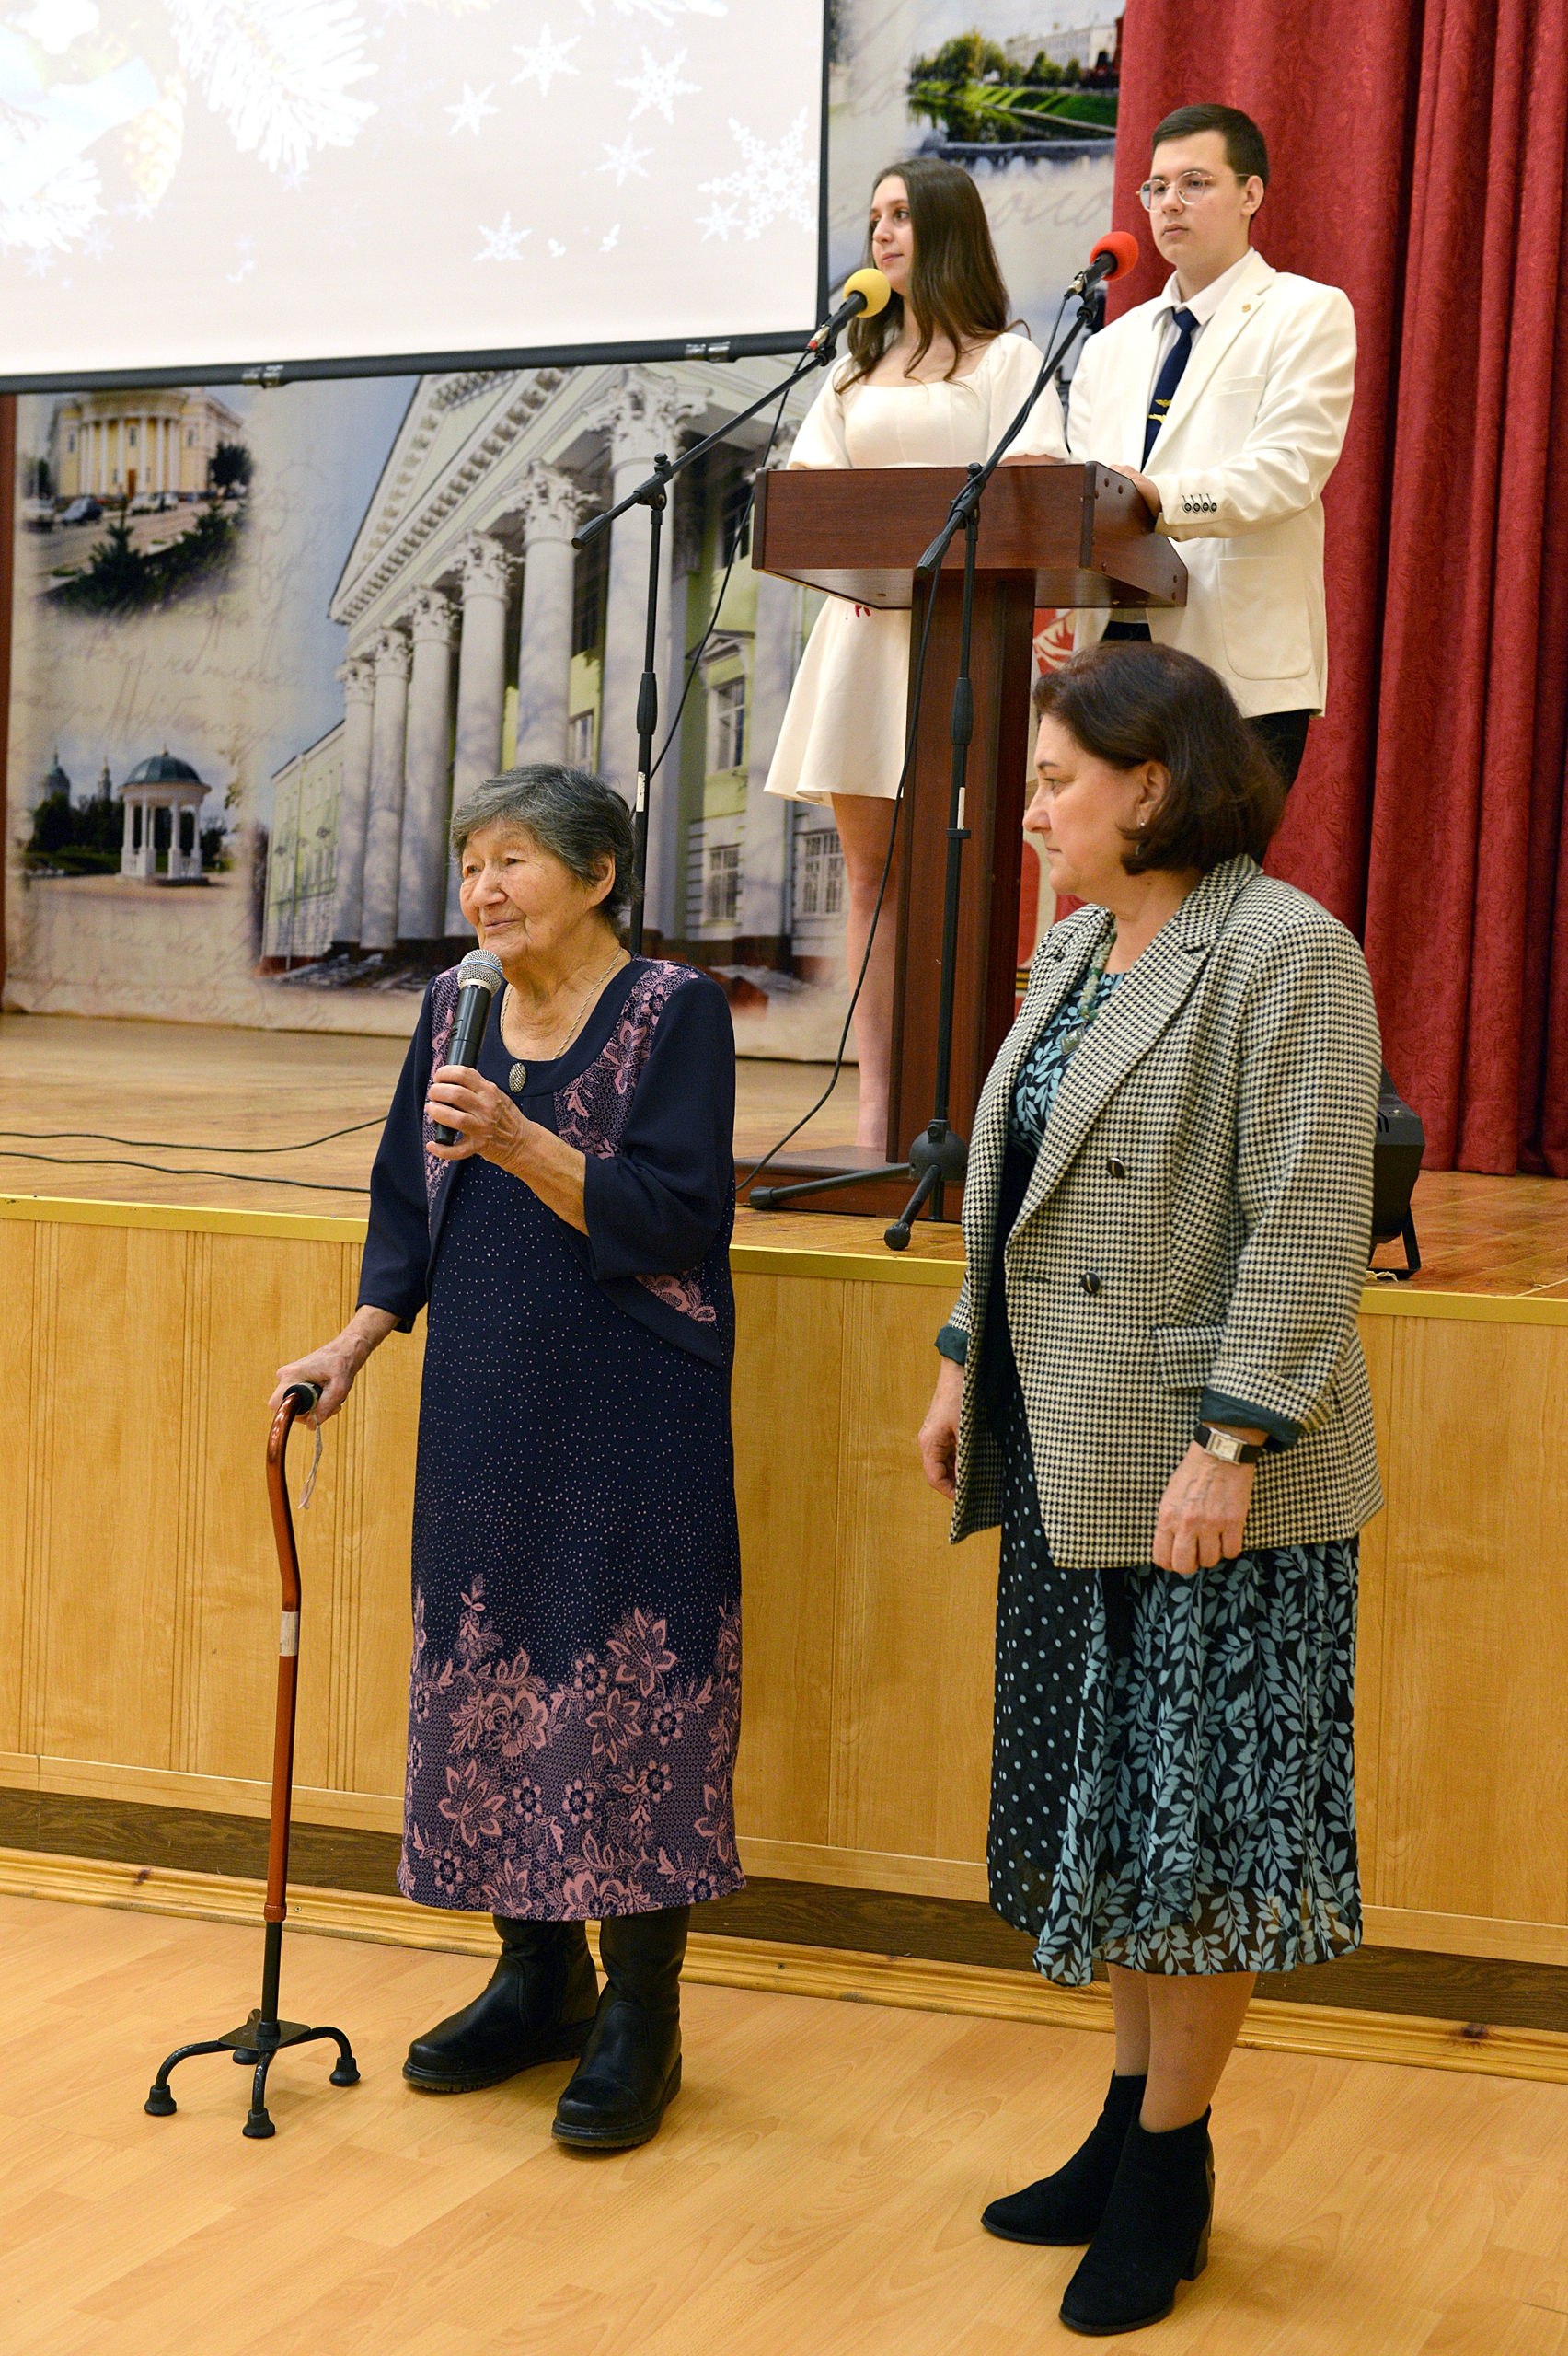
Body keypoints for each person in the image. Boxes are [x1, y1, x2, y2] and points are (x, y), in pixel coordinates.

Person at [917, 641, 1381, 2336]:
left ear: (1153, 784)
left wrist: (1231, 1438)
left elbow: (1309, 1217)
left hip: (1206, 1475)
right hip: (1069, 1445)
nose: (1031, 813)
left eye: (1054, 782)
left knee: (1197, 1831)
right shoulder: (1069, 950)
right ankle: (1123, 2132)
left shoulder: (1283, 950)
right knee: (1107, 1816)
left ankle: (1170, 2173)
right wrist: (961, 1358)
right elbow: (1016, 1189)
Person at [271, 763, 742, 2153]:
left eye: (514, 860)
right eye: (470, 862)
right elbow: (406, 1200)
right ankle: (537, 1977)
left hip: (634, 1401)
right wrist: (354, 1342)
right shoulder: (455, 1004)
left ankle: (642, 2013)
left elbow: (677, 1216)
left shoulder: (674, 1011)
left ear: (599, 876)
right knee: (489, 1670)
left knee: (629, 1685)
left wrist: (525, 1139)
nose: (483, 889)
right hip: (486, 1395)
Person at [766, 155, 1068, 1151]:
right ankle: (878, 1104)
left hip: (966, 641)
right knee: (871, 880)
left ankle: (967, 1106)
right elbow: (809, 499)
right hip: (862, 638)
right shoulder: (851, 369)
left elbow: (1038, 482)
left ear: (947, 228)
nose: (883, 233)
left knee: (964, 874)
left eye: (901, 214)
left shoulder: (1007, 360)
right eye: (874, 217)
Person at [1067, 103, 1356, 789]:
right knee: (1113, 855)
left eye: (1194, 183)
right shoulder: (1109, 346)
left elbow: (1288, 470)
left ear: (1250, 194)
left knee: (1218, 856)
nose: (1169, 203)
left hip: (1234, 663)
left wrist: (1156, 497)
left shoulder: (1305, 312)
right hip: (1113, 655)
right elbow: (1081, 487)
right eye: (1156, 187)